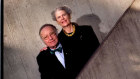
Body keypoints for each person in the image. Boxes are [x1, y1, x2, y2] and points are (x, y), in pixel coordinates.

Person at [51, 5, 100, 74]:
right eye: (59, 17)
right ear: (57, 21)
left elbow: (98, 50)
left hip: (97, 67)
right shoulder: (58, 40)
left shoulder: (86, 30)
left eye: (64, 15)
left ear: (69, 15)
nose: (62, 18)